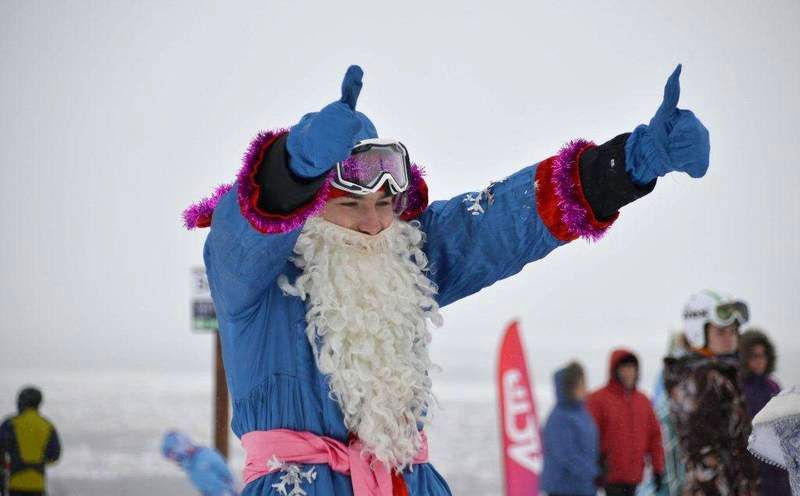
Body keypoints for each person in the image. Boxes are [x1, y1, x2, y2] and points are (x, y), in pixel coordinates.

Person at [184, 63, 710, 495]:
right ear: (310, 208)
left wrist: (627, 165)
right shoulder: (256, 281)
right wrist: (291, 169)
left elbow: (506, 221)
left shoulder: (407, 257)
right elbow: (240, 236)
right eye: (351, 205)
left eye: (387, 204)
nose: (375, 224)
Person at [663, 291, 758, 495]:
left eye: (733, 331)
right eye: (721, 332)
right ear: (699, 332)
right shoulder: (698, 380)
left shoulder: (723, 372)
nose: (730, 339)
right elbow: (703, 454)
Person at [586, 349, 664, 496]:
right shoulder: (597, 399)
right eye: (624, 369)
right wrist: (593, 466)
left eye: (632, 368)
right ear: (615, 371)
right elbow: (588, 436)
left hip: (634, 476)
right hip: (608, 477)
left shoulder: (643, 401)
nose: (629, 373)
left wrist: (657, 468)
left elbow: (654, 437)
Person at [740, 328, 792, 496]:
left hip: (778, 464)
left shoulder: (773, 386)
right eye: (754, 356)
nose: (760, 361)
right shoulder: (739, 388)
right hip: (753, 464)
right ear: (744, 358)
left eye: (763, 355)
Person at [541, 362, 599, 496]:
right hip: (563, 487)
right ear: (568, 388)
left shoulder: (582, 413)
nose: (583, 388)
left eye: (583, 383)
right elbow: (566, 455)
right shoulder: (559, 417)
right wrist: (593, 471)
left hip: (582, 486)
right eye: (578, 384)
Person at [0, 387, 61, 496]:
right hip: (38, 485)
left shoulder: (10, 424)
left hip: (14, 483)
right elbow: (54, 456)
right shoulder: (47, 425)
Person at [161, 431, 237, 496]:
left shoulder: (203, 459)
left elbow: (224, 477)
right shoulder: (189, 465)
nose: (173, 460)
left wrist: (230, 490)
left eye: (172, 455)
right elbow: (205, 486)